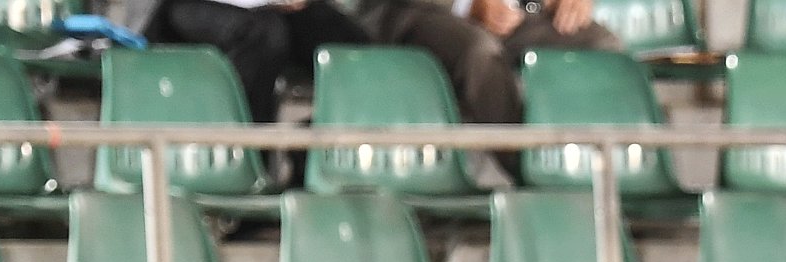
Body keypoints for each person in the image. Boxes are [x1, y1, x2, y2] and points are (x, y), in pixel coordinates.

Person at [344, 0, 623, 127]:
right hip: (412, 14)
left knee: (601, 43)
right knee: (479, 53)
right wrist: (469, 5)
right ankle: (528, 164)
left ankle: (613, 172)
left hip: (510, 14)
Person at [148, 0, 369, 126]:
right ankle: (242, 152)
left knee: (355, 50)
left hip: (266, 7)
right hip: (180, 6)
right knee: (263, 36)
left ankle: (311, 155)